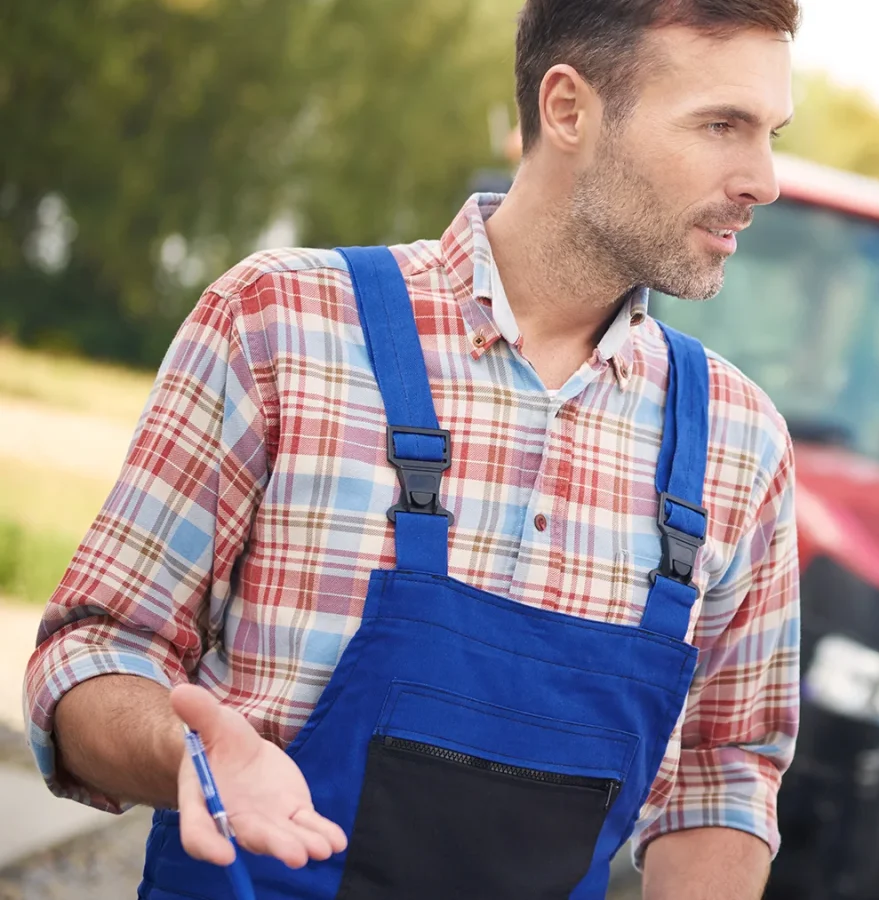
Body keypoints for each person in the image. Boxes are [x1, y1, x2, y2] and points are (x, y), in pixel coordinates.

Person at [23, 1, 802, 897]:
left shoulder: (741, 446)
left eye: (771, 131)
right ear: (569, 110)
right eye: (721, 125)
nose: (764, 178)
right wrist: (186, 753)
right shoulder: (282, 326)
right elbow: (87, 657)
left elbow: (724, 773)